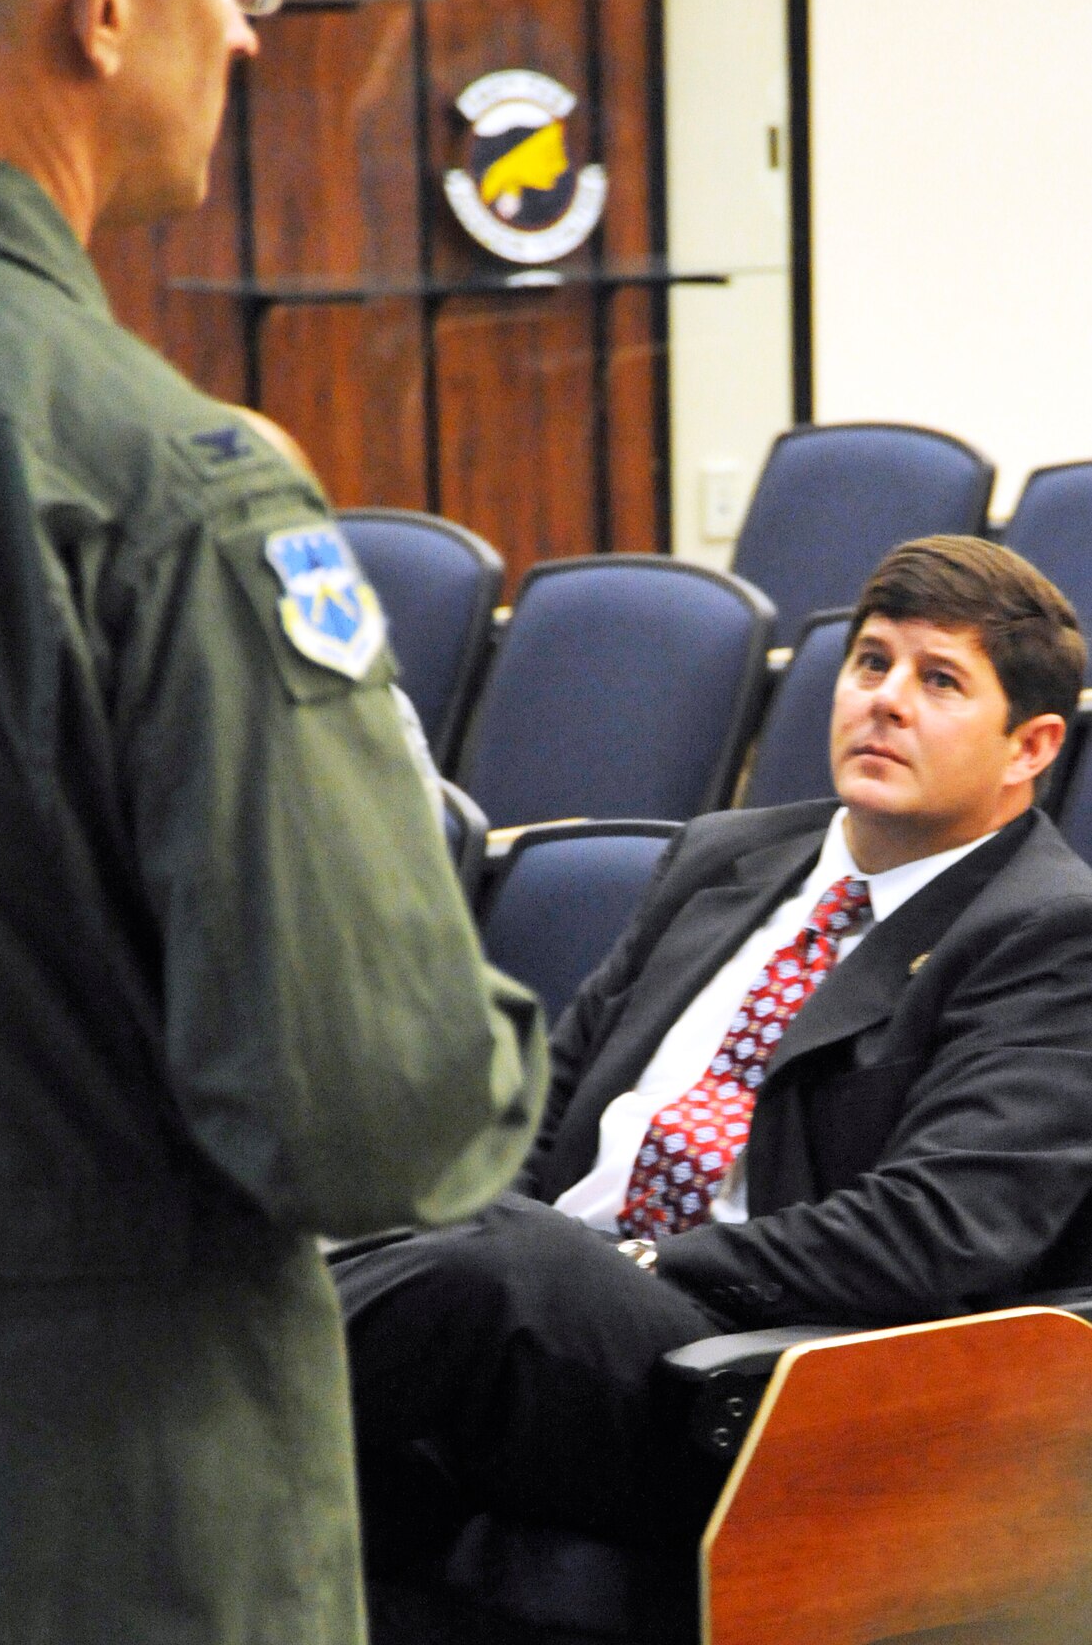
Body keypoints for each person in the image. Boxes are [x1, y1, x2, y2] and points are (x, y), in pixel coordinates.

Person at [0, 0, 547, 1645]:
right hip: (93, 1509)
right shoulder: (156, 483)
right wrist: (496, 1029)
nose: (248, 30)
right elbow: (359, 1107)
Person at [335, 534, 1092, 1563]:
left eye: (939, 680)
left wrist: (639, 1259)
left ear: (1030, 747)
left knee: (497, 1264)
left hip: (764, 1376)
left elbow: (932, 1231)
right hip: (556, 1302)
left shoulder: (1050, 933)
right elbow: (544, 1108)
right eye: (871, 662)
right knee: (365, 1208)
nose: (885, 700)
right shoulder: (722, 856)